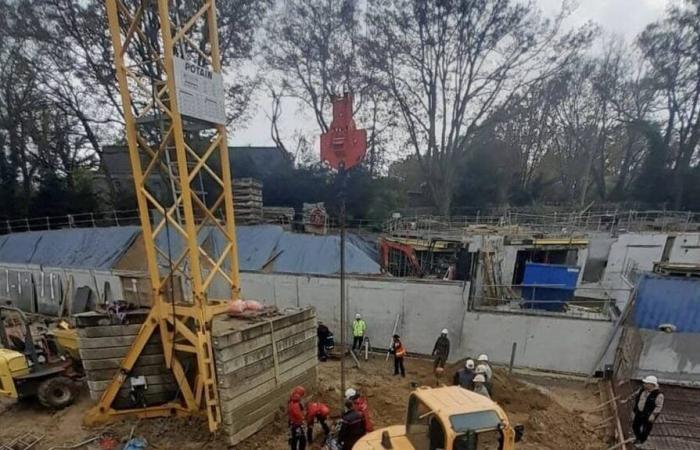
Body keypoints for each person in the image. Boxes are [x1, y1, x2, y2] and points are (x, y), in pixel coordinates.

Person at [629, 375, 664, 445]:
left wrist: (653, 415)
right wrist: (628, 399)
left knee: (646, 429)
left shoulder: (658, 395)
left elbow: (659, 406)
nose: (644, 384)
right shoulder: (642, 389)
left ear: (652, 385)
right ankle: (638, 437)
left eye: (646, 383)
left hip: (649, 415)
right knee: (635, 426)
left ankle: (641, 441)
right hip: (639, 412)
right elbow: (635, 395)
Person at [287, 386, 306, 450]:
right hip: (296, 424)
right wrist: (302, 418)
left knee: (295, 439)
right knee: (302, 440)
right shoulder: (295, 404)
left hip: (293, 423)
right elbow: (298, 414)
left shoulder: (292, 401)